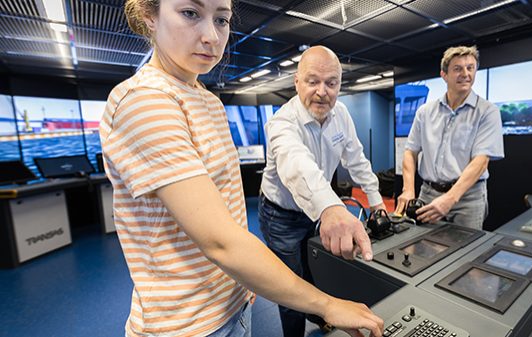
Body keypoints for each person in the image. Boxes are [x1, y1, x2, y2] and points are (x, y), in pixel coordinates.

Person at [100, 1, 384, 336]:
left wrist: (242, 285)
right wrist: (329, 305)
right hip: (189, 325)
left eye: (221, 19)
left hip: (231, 303)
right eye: (190, 13)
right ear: (150, 15)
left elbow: (228, 213)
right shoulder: (146, 101)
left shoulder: (207, 100)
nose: (211, 36)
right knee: (295, 293)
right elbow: (223, 240)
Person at [259, 45, 386, 337]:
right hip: (281, 215)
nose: (322, 91)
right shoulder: (282, 123)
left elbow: (356, 158)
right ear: (297, 82)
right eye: (313, 81)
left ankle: (320, 317)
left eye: (331, 83)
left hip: (316, 213)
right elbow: (297, 165)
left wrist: (377, 201)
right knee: (290, 285)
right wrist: (331, 208)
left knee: (316, 270)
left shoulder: (340, 114)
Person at [394, 45, 504, 229]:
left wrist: (450, 198)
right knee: (424, 251)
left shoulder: (487, 112)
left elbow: (481, 162)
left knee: (463, 253)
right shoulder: (425, 112)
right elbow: (410, 151)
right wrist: (408, 189)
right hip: (428, 194)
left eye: (470, 68)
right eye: (457, 68)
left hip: (468, 200)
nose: (465, 73)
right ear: (444, 75)